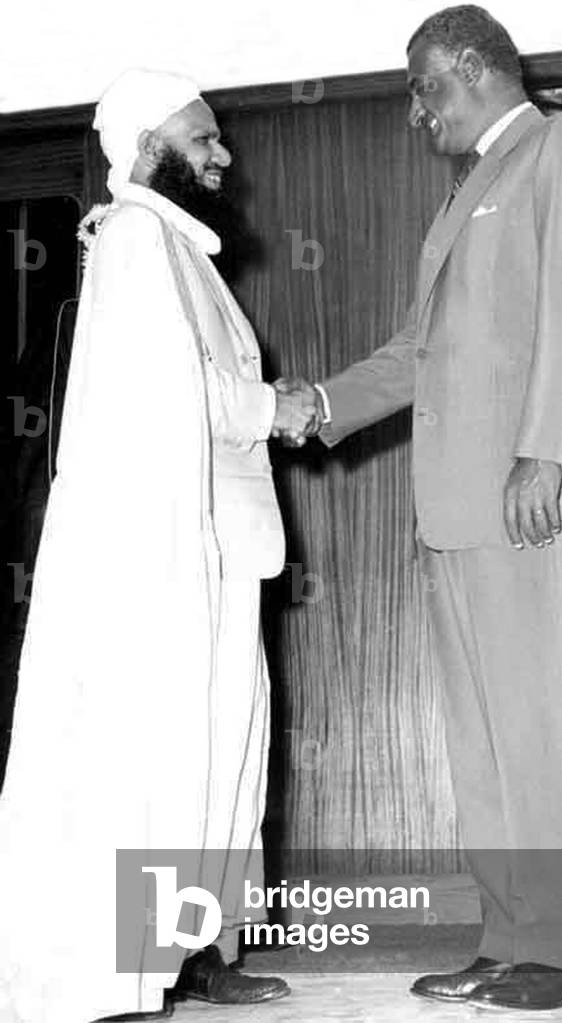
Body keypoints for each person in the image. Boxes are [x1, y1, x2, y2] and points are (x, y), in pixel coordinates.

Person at [284, 4, 562, 1011]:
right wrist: (318, 404)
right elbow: (415, 354)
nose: (414, 111)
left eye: (421, 87)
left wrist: (542, 453)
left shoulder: (560, 145)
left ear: (470, 70)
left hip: (535, 502)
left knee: (553, 733)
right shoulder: (459, 202)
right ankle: (508, 935)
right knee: (484, 744)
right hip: (455, 516)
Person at [0, 69, 318, 1023]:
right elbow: (176, 398)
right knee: (166, 751)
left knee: (225, 751)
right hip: (168, 561)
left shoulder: (173, 248)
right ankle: (129, 966)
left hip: (217, 553)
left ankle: (199, 950)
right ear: (148, 147)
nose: (223, 155)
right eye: (203, 138)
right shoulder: (139, 241)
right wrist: (281, 406)